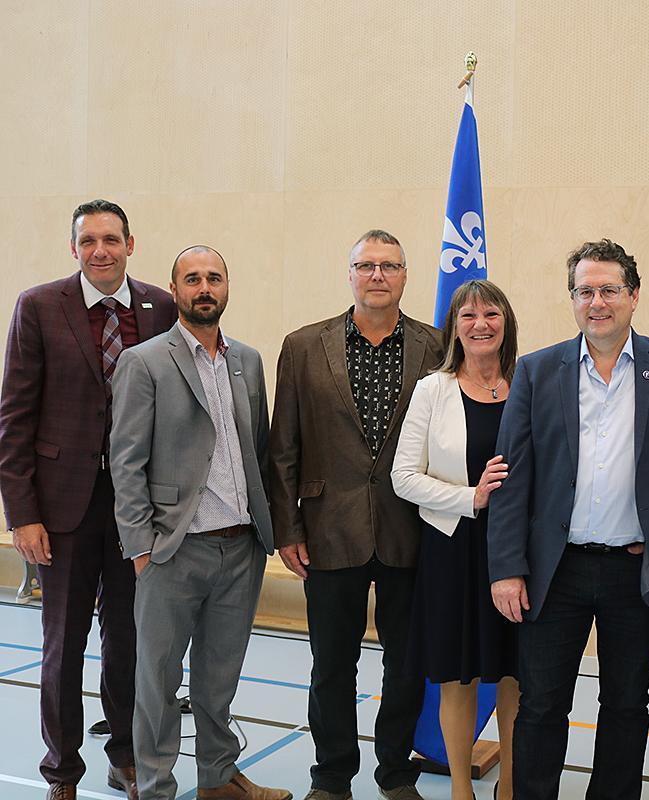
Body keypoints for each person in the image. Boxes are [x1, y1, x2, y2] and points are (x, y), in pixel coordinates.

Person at [487, 238, 649, 800]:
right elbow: (511, 480)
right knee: (539, 706)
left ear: (634, 296)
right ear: (573, 299)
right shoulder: (537, 372)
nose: (597, 302)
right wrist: (506, 567)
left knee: (627, 705)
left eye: (609, 289)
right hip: (551, 573)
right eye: (584, 291)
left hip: (634, 573)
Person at [0, 199, 176, 800]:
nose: (100, 250)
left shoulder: (161, 308)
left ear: (132, 244)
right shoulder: (39, 307)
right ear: (73, 248)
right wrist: (23, 514)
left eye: (111, 239)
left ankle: (125, 755)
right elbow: (14, 419)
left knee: (129, 642)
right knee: (63, 646)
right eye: (89, 241)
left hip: (137, 510)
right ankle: (62, 770)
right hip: (62, 509)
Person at [268, 230, 444, 800]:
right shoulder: (302, 345)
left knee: (406, 665)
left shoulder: (437, 347)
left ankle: (395, 773)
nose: (377, 275)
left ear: (404, 276)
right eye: (366, 265)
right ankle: (331, 777)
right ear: (349, 274)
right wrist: (287, 528)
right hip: (326, 531)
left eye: (388, 266)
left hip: (412, 530)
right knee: (331, 666)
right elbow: (284, 447)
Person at [109, 246, 289, 800]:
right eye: (193, 279)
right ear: (175, 289)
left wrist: (269, 533)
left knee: (219, 677)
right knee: (158, 680)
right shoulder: (144, 361)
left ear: (227, 287)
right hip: (174, 548)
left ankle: (217, 778)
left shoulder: (248, 360)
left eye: (214, 277)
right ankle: (158, 786)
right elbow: (126, 459)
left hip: (240, 548)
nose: (204, 287)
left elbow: (255, 451)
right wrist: (142, 546)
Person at [391, 280, 520, 800]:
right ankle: (462, 790)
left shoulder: (528, 382)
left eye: (490, 313)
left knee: (515, 677)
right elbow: (403, 477)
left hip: (515, 552)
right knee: (457, 677)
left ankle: (509, 786)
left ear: (506, 322)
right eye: (468, 315)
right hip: (453, 550)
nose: (480, 324)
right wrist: (472, 498)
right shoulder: (433, 389)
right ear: (454, 327)